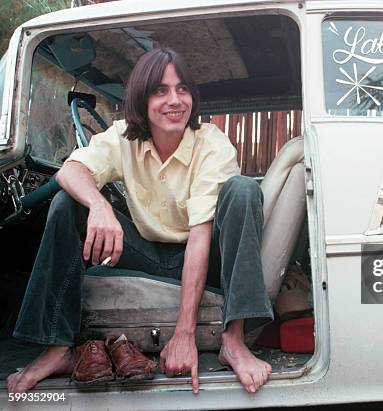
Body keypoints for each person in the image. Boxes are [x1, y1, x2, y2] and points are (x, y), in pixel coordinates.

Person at [7, 48, 274, 394]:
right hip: (147, 252)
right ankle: (58, 346)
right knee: (66, 201)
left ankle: (234, 340)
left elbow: (200, 236)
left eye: (182, 89)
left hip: (202, 254)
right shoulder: (123, 136)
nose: (174, 100)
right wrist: (100, 206)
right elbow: (70, 171)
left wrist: (183, 335)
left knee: (242, 190)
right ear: (141, 98)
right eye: (160, 90)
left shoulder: (212, 144)